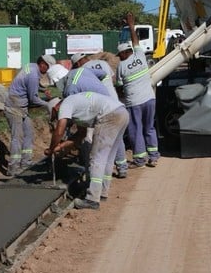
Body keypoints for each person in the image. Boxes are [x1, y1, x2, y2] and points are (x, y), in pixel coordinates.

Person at [45, 91, 129, 210]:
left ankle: (92, 199)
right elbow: (81, 135)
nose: (57, 118)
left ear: (55, 109)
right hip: (121, 112)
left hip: (109, 116)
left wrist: (51, 149)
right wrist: (61, 146)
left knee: (96, 159)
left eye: (55, 116)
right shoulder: (77, 105)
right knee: (108, 157)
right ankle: (102, 193)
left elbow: (59, 130)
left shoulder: (65, 104)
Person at [70, 53, 129, 176]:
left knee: (98, 138)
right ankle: (122, 167)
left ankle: (95, 167)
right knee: (117, 137)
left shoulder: (82, 70)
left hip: (102, 106)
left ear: (78, 63)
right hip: (115, 102)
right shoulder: (103, 63)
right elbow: (111, 79)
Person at [116, 12, 160, 168]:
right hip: (150, 99)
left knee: (136, 130)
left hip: (134, 103)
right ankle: (153, 157)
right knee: (149, 128)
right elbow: (135, 41)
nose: (119, 57)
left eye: (119, 55)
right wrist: (131, 26)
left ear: (123, 53)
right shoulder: (140, 56)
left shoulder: (121, 67)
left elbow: (119, 88)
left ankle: (140, 160)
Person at [6, 54, 55, 175]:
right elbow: (33, 99)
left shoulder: (31, 66)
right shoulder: (33, 74)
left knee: (29, 133)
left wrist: (43, 90)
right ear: (42, 64)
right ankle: (13, 168)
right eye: (48, 67)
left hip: (21, 105)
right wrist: (49, 104)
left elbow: (29, 84)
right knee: (17, 137)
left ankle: (26, 162)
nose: (47, 71)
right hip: (14, 106)